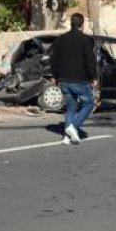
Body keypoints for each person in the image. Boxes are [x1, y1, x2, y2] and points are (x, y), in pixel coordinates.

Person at [49, 13, 98, 145]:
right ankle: (73, 127)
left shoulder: (61, 39)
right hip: (79, 80)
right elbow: (90, 60)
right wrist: (94, 77)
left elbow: (53, 58)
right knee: (88, 104)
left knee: (71, 107)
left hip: (63, 80)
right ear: (82, 24)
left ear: (71, 24)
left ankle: (67, 137)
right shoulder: (85, 40)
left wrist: (54, 75)